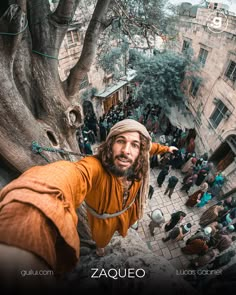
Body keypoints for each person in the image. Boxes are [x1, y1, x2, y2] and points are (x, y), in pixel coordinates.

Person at [0, 119, 178, 286]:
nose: (126, 150)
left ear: (141, 150)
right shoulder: (95, 167)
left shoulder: (139, 162)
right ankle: (100, 249)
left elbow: (151, 148)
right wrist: (27, 216)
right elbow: (70, 175)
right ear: (110, 144)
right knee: (102, 239)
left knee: (124, 228)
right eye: (120, 141)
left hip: (126, 212)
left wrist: (166, 149)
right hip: (104, 221)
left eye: (135, 144)